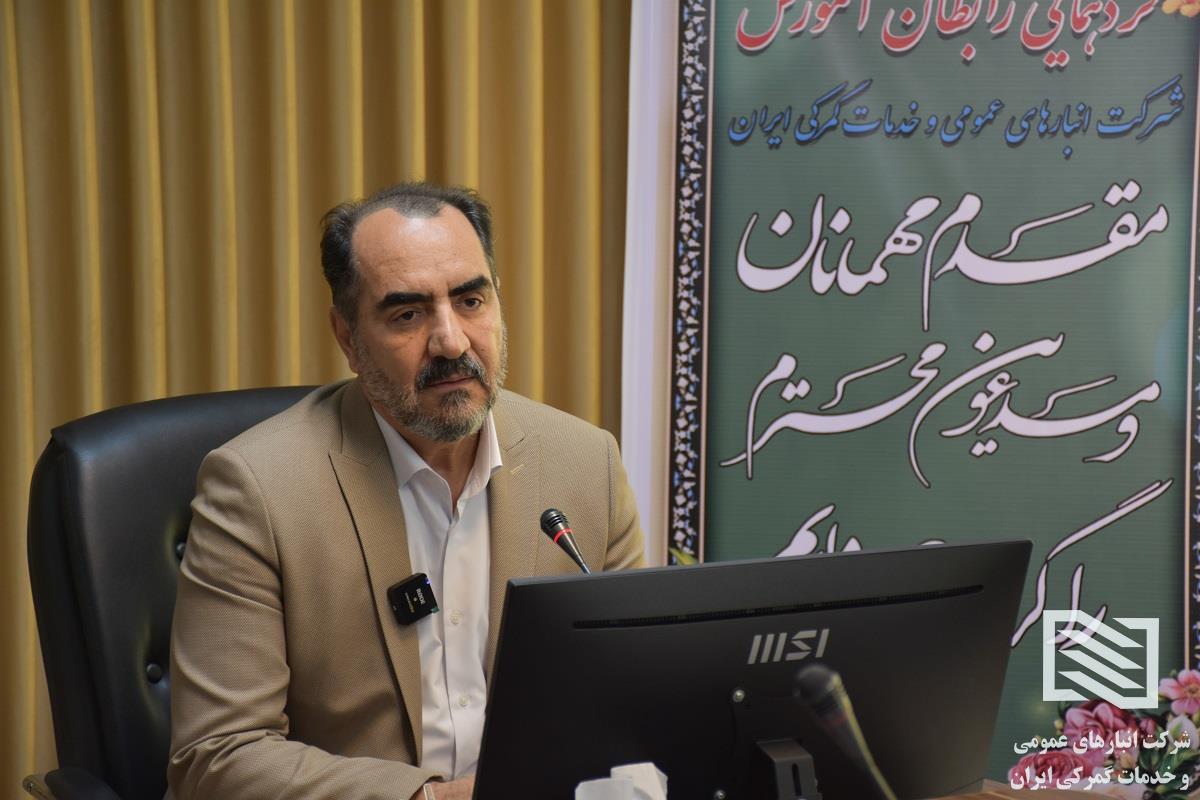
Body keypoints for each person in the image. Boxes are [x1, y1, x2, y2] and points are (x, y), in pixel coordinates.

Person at [166, 182, 645, 800]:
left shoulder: (584, 464)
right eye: (407, 315)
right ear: (348, 338)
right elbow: (216, 757)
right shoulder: (256, 490)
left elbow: (631, 697)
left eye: (470, 301)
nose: (451, 341)